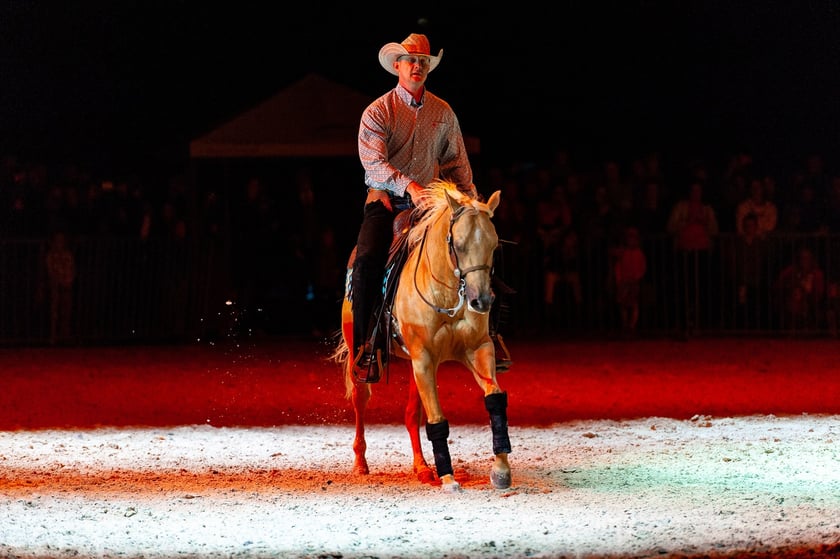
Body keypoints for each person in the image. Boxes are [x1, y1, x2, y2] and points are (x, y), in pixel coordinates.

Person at [350, 33, 478, 382]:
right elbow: (373, 164)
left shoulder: (443, 112)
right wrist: (409, 185)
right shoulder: (378, 111)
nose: (418, 66)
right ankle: (365, 347)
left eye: (423, 61)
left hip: (431, 205)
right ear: (397, 66)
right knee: (366, 260)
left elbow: (457, 165)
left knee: (475, 250)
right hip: (386, 202)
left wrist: (472, 206)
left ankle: (487, 335)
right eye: (411, 61)